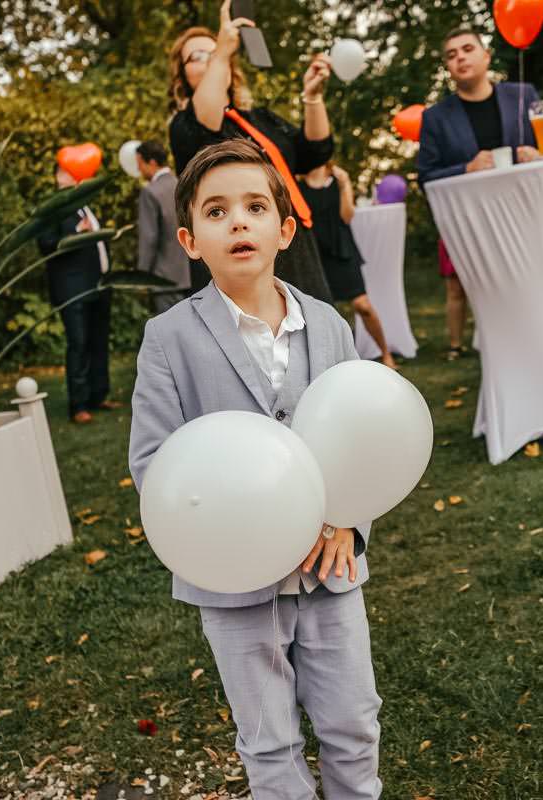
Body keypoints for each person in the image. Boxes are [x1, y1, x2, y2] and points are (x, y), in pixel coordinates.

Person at [127, 140, 382, 799]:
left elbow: (360, 435)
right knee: (269, 741)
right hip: (234, 584)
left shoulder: (326, 324)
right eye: (217, 211)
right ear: (189, 239)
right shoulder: (169, 339)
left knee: (353, 722)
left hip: (330, 569)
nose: (238, 221)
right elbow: (154, 461)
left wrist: (347, 523)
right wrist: (222, 538)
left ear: (284, 227)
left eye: (254, 206)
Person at [165, 0, 335, 303]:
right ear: (182, 75)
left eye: (214, 51)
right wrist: (222, 50)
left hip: (291, 241)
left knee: (311, 331)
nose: (210, 58)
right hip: (238, 249)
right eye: (197, 56)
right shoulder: (185, 125)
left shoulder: (261, 118)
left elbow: (314, 152)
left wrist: (312, 98)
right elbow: (206, 125)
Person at [417, 27, 543, 360]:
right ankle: (504, 362)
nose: (460, 58)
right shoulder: (436, 117)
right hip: (475, 228)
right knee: (492, 303)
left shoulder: (523, 94)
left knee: (532, 297)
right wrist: (466, 168)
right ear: (448, 68)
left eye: (467, 49)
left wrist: (540, 154)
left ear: (486, 56)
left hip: (527, 218)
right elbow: (425, 175)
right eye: (451, 55)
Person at [36, 163, 118, 424]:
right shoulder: (54, 208)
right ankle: (78, 404)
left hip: (98, 285)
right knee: (79, 344)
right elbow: (46, 244)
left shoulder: (85, 206)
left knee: (98, 342)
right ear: (59, 176)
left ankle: (98, 394)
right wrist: (76, 232)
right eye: (71, 171)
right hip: (73, 289)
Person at [299, 162, 399, 369]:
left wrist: (345, 185)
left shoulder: (338, 181)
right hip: (316, 255)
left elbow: (347, 216)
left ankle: (386, 354)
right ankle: (329, 364)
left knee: (363, 306)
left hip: (342, 251)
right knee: (320, 313)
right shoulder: (297, 184)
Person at [134, 140, 190, 313]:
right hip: (187, 274)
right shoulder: (183, 185)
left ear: (151, 162)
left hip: (163, 277)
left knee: (168, 335)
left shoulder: (150, 192)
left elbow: (149, 238)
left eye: (140, 164)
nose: (139, 170)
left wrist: (142, 276)